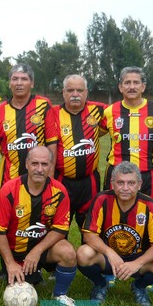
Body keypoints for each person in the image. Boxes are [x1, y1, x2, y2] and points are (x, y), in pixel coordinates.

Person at [0, 146, 79, 306]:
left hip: (43, 250)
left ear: (51, 166)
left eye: (44, 164)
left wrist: (36, 251)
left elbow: (60, 229)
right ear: (27, 164)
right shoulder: (9, 190)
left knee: (68, 251)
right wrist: (10, 263)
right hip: (15, 251)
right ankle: (17, 272)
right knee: (25, 283)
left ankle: (59, 294)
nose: (39, 169)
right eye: (35, 163)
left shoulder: (59, 191)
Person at [78, 161, 153, 306]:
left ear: (139, 184)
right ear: (112, 183)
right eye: (120, 182)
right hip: (109, 259)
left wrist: (136, 264)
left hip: (139, 259)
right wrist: (109, 252)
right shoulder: (102, 199)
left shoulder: (150, 206)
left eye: (131, 183)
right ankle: (100, 284)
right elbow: (89, 235)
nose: (125, 188)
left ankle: (139, 286)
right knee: (83, 254)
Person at [101, 66, 153, 210]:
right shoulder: (109, 112)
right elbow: (94, 133)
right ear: (120, 87)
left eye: (136, 83)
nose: (131, 86)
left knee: (151, 218)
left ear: (143, 87)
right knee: (112, 218)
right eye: (127, 82)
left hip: (148, 176)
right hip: (117, 175)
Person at [0, 64, 58, 199]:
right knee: (10, 217)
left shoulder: (43, 105)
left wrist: (50, 174)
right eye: (15, 79)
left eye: (24, 79)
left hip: (39, 176)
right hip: (9, 177)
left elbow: (52, 143)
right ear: (9, 83)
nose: (19, 83)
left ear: (32, 83)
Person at [51, 75, 107, 231]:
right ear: (63, 92)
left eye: (79, 90)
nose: (75, 94)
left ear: (86, 92)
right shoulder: (52, 113)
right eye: (70, 90)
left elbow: (124, 111)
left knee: (91, 231)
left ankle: (87, 254)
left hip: (90, 182)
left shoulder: (99, 110)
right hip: (62, 180)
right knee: (58, 231)